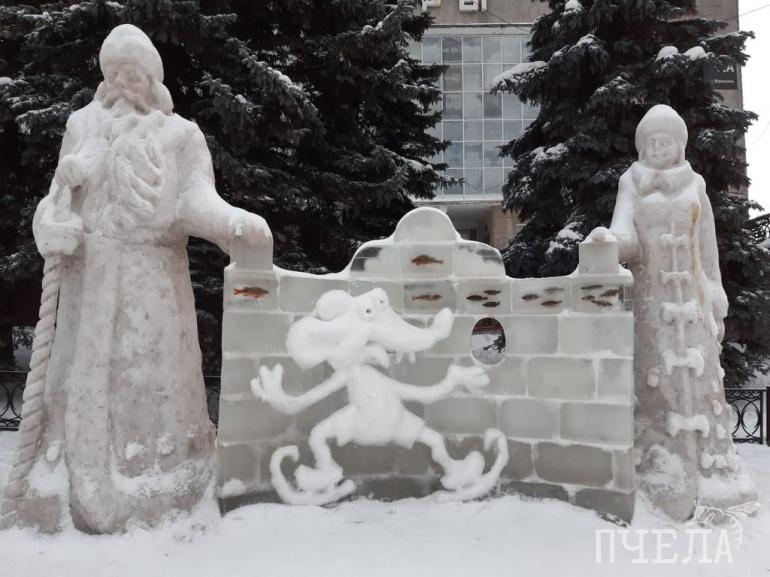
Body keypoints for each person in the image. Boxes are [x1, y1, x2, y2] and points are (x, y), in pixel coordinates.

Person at [7, 24, 270, 533]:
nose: (123, 84)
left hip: (152, 284)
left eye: (134, 75)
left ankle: (157, 482)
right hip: (87, 283)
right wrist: (51, 224)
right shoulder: (81, 127)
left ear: (152, 80)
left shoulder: (180, 135)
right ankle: (62, 486)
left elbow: (195, 198)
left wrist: (230, 223)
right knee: (75, 383)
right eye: (114, 74)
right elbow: (57, 200)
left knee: (149, 384)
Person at [589, 104, 756, 520]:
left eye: (666, 141)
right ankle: (661, 467)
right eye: (652, 142)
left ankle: (712, 473)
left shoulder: (695, 184)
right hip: (652, 304)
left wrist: (714, 289)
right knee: (657, 380)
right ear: (642, 147)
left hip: (693, 304)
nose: (658, 148)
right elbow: (625, 235)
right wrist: (609, 240)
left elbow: (707, 245)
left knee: (700, 382)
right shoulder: (632, 183)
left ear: (680, 145)